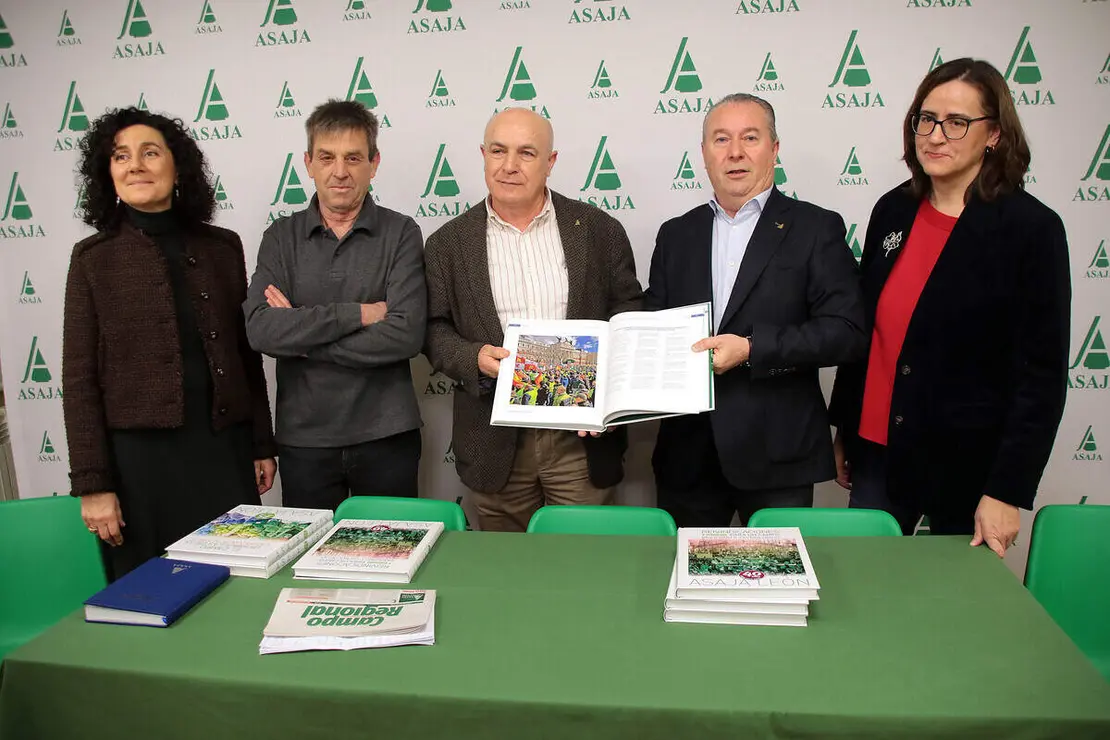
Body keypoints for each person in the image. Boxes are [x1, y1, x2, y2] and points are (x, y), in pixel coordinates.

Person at [828, 59, 1071, 556]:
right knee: (868, 597)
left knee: (957, 613)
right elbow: (869, 328)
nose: (935, 135)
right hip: (877, 454)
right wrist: (846, 430)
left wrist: (1006, 488)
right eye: (926, 118)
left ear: (995, 135)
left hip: (967, 466)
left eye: (957, 122)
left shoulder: (1031, 230)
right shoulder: (892, 209)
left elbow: (1041, 376)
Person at [62, 107, 277, 582]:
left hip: (222, 452)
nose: (135, 164)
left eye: (150, 152)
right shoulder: (92, 259)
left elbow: (245, 355)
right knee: (151, 594)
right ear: (108, 173)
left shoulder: (223, 247)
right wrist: (93, 486)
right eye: (121, 156)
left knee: (235, 588)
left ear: (177, 167)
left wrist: (261, 443)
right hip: (140, 468)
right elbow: (78, 380)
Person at [645, 93, 866, 528]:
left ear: (774, 149)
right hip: (687, 456)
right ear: (704, 154)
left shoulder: (816, 228)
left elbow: (847, 331)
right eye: (721, 139)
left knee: (776, 590)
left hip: (778, 455)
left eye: (750, 137)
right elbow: (654, 329)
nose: (735, 152)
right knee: (685, 589)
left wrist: (751, 347)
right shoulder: (676, 234)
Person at [423, 108, 642, 532]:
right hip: (494, 438)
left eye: (526, 153)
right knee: (507, 573)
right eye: (498, 151)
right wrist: (474, 358)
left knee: (584, 561)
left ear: (551, 161)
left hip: (578, 441)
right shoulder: (447, 243)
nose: (509, 166)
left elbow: (628, 313)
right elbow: (432, 329)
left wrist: (608, 395)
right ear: (483, 155)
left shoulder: (599, 230)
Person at [244, 100, 426, 512]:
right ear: (308, 163)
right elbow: (260, 329)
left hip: (387, 436)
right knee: (308, 572)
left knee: (389, 564)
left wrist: (303, 339)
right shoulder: (280, 238)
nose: (339, 171)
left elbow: (405, 335)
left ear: (374, 163)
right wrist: (359, 314)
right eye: (327, 157)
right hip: (304, 441)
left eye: (353, 158)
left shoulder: (400, 233)